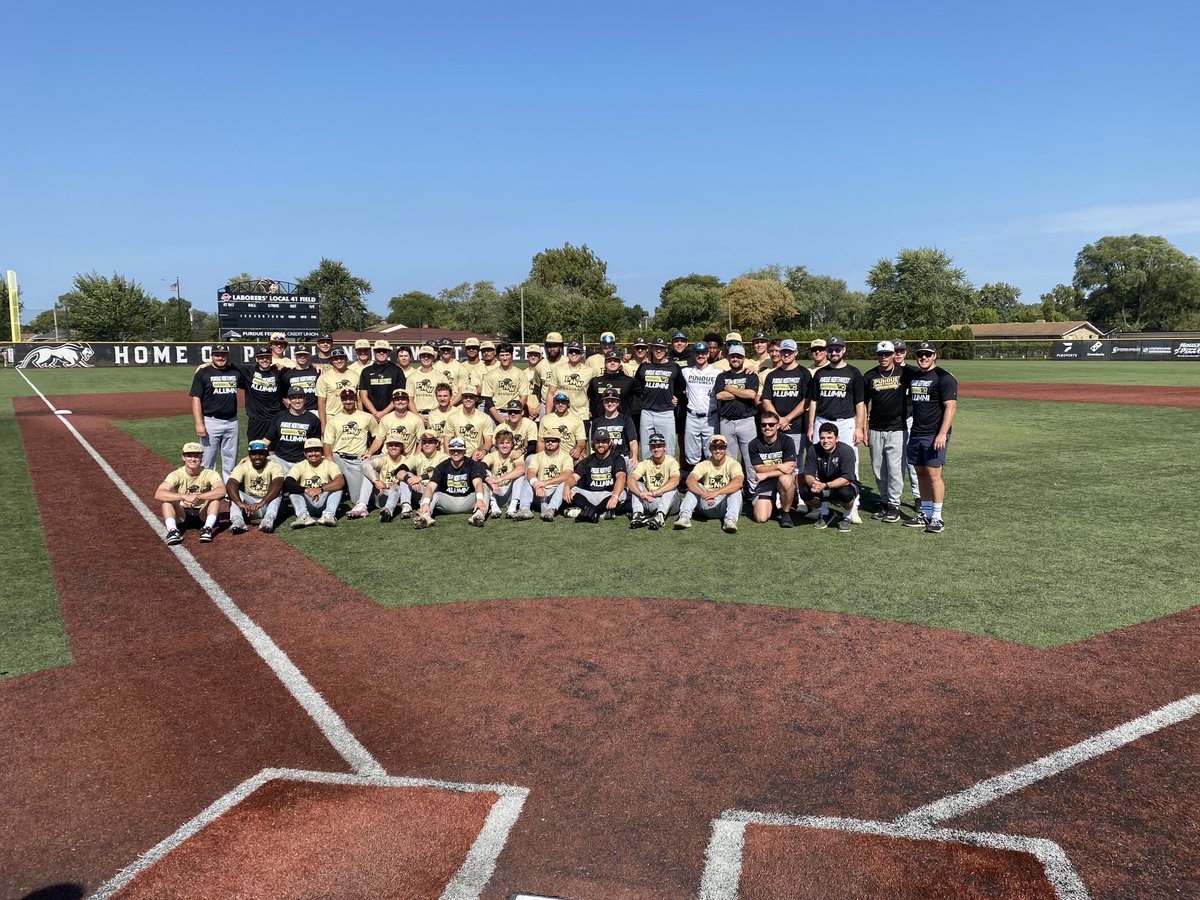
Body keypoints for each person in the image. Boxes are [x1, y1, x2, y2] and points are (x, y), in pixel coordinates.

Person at [807, 336, 866, 523]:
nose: (833, 353)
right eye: (830, 350)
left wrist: (859, 427)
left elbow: (860, 403)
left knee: (850, 461)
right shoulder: (820, 373)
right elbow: (814, 401)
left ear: (844, 350)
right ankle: (823, 507)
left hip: (846, 422)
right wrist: (811, 425)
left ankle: (852, 507)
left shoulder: (854, 372)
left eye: (837, 349)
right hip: (822, 421)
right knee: (819, 462)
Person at [903, 341, 957, 534]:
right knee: (920, 474)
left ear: (935, 355)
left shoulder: (944, 377)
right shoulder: (915, 377)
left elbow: (950, 406)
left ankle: (937, 517)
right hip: (917, 432)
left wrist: (942, 433)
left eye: (927, 354)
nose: (923, 358)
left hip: (934, 434)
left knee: (934, 475)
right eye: (920, 354)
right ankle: (925, 514)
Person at [863, 340, 909, 523]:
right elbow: (863, 404)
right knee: (878, 468)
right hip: (875, 427)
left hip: (897, 428)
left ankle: (893, 505)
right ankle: (883, 500)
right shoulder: (869, 376)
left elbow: (927, 373)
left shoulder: (904, 372)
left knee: (895, 468)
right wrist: (864, 427)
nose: (884, 357)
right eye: (881, 354)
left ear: (893, 355)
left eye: (887, 354)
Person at [189, 344, 244, 479]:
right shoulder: (203, 373)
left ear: (227, 355)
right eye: (217, 354)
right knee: (208, 459)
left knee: (230, 459)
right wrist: (199, 423)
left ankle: (228, 487)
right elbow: (196, 398)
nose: (220, 357)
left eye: (223, 354)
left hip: (232, 421)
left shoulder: (235, 372)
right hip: (210, 421)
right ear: (212, 355)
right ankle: (208, 486)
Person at [156, 441, 226, 545]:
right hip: (182, 514)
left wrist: (200, 496)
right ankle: (172, 531)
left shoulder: (209, 473)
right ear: (183, 457)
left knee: (215, 499)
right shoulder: (176, 474)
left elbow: (221, 490)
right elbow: (159, 494)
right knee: (166, 501)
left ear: (201, 457)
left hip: (203, 513)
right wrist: (184, 496)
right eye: (189, 456)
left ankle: (207, 528)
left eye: (196, 456)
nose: (193, 459)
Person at [322, 388, 378, 519]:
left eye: (350, 398)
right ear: (341, 400)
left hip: (357, 459)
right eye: (345, 399)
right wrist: (330, 462)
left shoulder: (366, 417)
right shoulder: (334, 420)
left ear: (355, 399)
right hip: (339, 457)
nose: (348, 401)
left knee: (356, 499)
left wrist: (370, 452)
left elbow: (378, 436)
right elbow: (327, 443)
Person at [413, 437, 489, 528]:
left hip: (468, 500)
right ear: (449, 451)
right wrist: (425, 503)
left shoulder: (472, 464)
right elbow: (430, 487)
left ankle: (478, 515)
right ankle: (425, 517)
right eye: (453, 450)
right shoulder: (442, 466)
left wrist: (480, 499)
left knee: (484, 487)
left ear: (464, 451)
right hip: (448, 500)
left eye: (459, 450)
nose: (456, 453)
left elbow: (477, 483)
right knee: (432, 494)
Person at [713, 344, 760, 491]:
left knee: (750, 459)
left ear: (743, 358)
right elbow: (719, 395)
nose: (735, 359)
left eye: (739, 356)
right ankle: (733, 491)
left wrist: (730, 389)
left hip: (747, 421)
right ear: (728, 358)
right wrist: (741, 392)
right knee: (729, 460)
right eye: (733, 356)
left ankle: (753, 490)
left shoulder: (750, 375)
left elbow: (752, 395)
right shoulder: (722, 376)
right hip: (726, 422)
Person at [675, 433, 743, 533]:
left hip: (725, 505)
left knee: (736, 490)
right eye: (714, 447)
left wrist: (715, 493)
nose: (718, 450)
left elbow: (738, 482)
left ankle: (730, 520)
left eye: (721, 447)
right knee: (695, 486)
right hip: (706, 502)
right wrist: (704, 494)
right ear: (710, 449)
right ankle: (684, 517)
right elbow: (690, 480)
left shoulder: (733, 464)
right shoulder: (704, 464)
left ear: (725, 448)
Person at [759, 338, 811, 462]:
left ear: (796, 352)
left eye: (790, 351)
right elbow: (766, 400)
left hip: (796, 427)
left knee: (796, 465)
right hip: (775, 428)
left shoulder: (804, 373)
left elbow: (806, 400)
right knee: (775, 461)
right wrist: (778, 420)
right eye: (783, 351)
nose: (786, 354)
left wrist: (787, 419)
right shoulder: (772, 375)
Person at [802, 422, 860, 533]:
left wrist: (825, 485)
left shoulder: (846, 450)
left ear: (837, 438)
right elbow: (808, 474)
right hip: (823, 485)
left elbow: (847, 478)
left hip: (844, 485)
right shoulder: (813, 449)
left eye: (829, 437)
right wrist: (813, 483)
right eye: (822, 438)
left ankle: (847, 516)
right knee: (804, 490)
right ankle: (825, 513)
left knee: (845, 493)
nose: (825, 441)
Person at [635, 337, 684, 460]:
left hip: (666, 412)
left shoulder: (673, 366)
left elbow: (681, 386)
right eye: (656, 347)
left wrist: (675, 396)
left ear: (666, 349)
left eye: (661, 348)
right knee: (647, 449)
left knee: (668, 448)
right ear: (651, 349)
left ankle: (670, 476)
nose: (658, 350)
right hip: (647, 411)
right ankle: (648, 476)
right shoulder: (644, 366)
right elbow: (637, 386)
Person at [568, 427, 628, 523]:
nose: (600, 444)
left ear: (609, 443)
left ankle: (588, 511)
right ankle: (598, 512)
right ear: (593, 443)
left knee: (622, 493)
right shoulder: (587, 460)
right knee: (569, 488)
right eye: (598, 441)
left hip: (608, 494)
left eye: (604, 441)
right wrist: (566, 487)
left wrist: (615, 496)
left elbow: (621, 477)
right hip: (591, 495)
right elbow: (574, 477)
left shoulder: (617, 458)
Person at [748, 412, 798, 527]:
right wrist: (778, 466)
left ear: (777, 426)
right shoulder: (754, 444)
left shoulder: (787, 441)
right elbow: (759, 469)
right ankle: (774, 504)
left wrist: (767, 474)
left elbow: (789, 468)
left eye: (771, 424)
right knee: (761, 518)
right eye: (764, 425)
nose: (767, 427)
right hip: (767, 482)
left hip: (781, 477)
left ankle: (785, 513)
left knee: (785, 480)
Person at [226, 439, 285, 533]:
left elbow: (278, 483)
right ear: (249, 455)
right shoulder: (243, 466)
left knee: (277, 493)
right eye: (254, 454)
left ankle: (268, 520)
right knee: (235, 494)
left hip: (267, 503)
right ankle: (238, 520)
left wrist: (262, 502)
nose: (257, 457)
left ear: (266, 454)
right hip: (249, 505)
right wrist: (239, 503)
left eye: (261, 453)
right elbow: (230, 484)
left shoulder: (274, 466)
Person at [286, 438, 345, 528]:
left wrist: (320, 489)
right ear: (305, 453)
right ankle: (303, 516)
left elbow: (340, 481)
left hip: (324, 500)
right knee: (293, 490)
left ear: (322, 452)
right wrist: (306, 489)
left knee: (337, 487)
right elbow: (288, 483)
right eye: (310, 451)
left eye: (316, 450)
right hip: (307, 500)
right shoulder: (299, 466)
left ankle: (328, 515)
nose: (313, 454)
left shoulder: (329, 464)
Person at [628, 431, 681, 530]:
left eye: (659, 446)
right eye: (653, 446)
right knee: (637, 484)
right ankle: (638, 514)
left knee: (672, 489)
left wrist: (655, 492)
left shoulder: (671, 461)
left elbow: (675, 480)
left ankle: (660, 516)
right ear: (650, 448)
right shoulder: (646, 463)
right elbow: (631, 479)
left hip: (669, 503)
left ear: (664, 447)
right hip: (650, 500)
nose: (656, 449)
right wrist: (641, 494)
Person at [680, 341, 719, 469]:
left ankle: (710, 481)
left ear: (708, 354)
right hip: (692, 416)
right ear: (694, 354)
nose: (700, 355)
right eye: (698, 353)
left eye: (703, 353)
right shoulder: (686, 372)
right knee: (692, 453)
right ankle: (693, 481)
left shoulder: (717, 373)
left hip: (711, 417)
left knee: (712, 451)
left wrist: (749, 367)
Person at [893, 339, 922, 511]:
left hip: (909, 418)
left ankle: (918, 496)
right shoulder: (884, 372)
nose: (898, 353)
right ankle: (891, 499)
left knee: (912, 459)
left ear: (905, 353)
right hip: (891, 421)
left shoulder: (913, 371)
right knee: (895, 461)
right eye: (895, 350)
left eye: (901, 351)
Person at [265, 386, 322, 471]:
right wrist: (252, 454)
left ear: (305, 399)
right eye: (293, 398)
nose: (297, 401)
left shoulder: (313, 419)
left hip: (302, 462)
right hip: (280, 460)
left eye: (300, 397)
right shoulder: (279, 417)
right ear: (288, 400)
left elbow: (315, 445)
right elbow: (266, 440)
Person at [238, 344, 286, 441]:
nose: (264, 360)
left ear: (271, 359)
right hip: (256, 421)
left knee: (274, 453)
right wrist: (208, 364)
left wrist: (313, 365)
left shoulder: (279, 372)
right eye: (261, 358)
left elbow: (299, 370)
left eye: (267, 357)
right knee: (255, 451)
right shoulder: (249, 371)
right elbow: (226, 365)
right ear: (256, 359)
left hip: (275, 419)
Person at [364, 431, 413, 523]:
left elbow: (408, 480)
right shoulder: (383, 459)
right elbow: (365, 465)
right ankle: (362, 505)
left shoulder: (407, 461)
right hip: (382, 495)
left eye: (397, 445)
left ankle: (388, 511)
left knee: (398, 484)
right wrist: (376, 481)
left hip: (400, 495)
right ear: (386, 447)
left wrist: (386, 484)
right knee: (368, 474)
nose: (393, 447)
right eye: (390, 445)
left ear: (402, 447)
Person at [483, 428, 532, 519]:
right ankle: (493, 506)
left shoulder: (515, 454)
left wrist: (499, 479)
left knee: (520, 475)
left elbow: (521, 469)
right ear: (496, 445)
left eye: (507, 443)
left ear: (512, 444)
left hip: (510, 492)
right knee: (485, 472)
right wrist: (492, 482)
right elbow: (481, 467)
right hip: (495, 491)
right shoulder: (491, 455)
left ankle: (513, 506)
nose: (504, 446)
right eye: (501, 443)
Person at [525, 434, 575, 521]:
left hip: (556, 493)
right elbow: (530, 472)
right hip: (540, 493)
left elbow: (567, 474)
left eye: (554, 440)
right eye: (547, 440)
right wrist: (536, 484)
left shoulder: (566, 457)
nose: (550, 443)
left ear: (559, 442)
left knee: (565, 482)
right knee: (526, 480)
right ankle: (524, 509)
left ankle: (551, 509)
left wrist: (545, 482)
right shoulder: (537, 456)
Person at [550, 339, 596, 432]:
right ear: (567, 353)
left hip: (582, 415)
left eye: (577, 351)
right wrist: (548, 416)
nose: (574, 354)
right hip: (561, 414)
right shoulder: (558, 369)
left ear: (582, 353)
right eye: (571, 351)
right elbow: (551, 393)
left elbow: (595, 394)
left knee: (582, 444)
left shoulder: (590, 372)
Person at [358, 340, 406, 423]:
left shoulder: (397, 370)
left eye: (384, 351)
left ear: (388, 352)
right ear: (373, 352)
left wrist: (383, 413)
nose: (381, 353)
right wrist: (375, 413)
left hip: (392, 416)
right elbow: (363, 395)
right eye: (378, 350)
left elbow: (399, 396)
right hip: (371, 416)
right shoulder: (366, 371)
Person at [443, 384, 494, 460]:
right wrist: (450, 458)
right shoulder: (453, 417)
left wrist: (483, 451)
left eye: (471, 397)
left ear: (476, 399)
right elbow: (447, 440)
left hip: (476, 456)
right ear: (462, 398)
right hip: (457, 455)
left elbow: (488, 441)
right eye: (466, 397)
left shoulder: (484, 417)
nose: (468, 399)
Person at [483, 342, 530, 424]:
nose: (505, 358)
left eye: (507, 355)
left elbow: (523, 397)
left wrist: (513, 413)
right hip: (496, 413)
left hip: (514, 412)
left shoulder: (520, 374)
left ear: (512, 355)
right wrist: (498, 418)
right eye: (502, 355)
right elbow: (488, 399)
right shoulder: (490, 375)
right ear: (497, 357)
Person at [372, 388, 424, 456]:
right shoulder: (386, 419)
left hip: (407, 458)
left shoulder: (416, 419)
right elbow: (379, 440)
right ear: (393, 402)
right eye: (397, 400)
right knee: (367, 463)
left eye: (403, 399)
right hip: (386, 456)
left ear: (408, 401)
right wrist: (369, 453)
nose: (400, 402)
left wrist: (416, 457)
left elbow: (421, 441)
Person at [587, 351, 639, 419]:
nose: (612, 363)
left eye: (615, 361)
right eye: (609, 361)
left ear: (620, 363)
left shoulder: (630, 381)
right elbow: (591, 399)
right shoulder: (595, 381)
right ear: (604, 363)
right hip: (600, 422)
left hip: (623, 422)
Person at [591, 389, 639, 460]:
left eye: (613, 401)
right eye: (607, 401)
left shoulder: (626, 420)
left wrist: (634, 456)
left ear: (618, 403)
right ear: (603, 403)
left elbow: (633, 441)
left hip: (622, 456)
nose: (610, 404)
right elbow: (593, 443)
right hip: (602, 457)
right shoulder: (597, 422)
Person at [403, 431, 449, 503]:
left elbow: (442, 471)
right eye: (424, 442)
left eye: (430, 442)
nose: (426, 444)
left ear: (436, 443)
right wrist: (409, 480)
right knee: (405, 475)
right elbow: (399, 470)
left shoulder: (444, 457)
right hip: (420, 488)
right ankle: (406, 506)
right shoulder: (417, 457)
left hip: (437, 491)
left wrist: (420, 477)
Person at [538, 392, 587, 459]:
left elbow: (581, 441)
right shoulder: (546, 419)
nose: (560, 404)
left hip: (570, 455)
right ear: (554, 403)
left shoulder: (577, 420)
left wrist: (578, 449)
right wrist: (541, 457)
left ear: (568, 403)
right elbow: (541, 441)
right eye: (557, 402)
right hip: (550, 455)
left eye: (563, 402)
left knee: (582, 458)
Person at [281, 346, 320, 413]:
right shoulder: (288, 375)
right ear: (295, 356)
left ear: (309, 356)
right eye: (299, 355)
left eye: (305, 355)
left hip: (314, 410)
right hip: (295, 411)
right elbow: (283, 396)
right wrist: (291, 407)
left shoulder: (316, 372)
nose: (302, 357)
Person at [409, 345, 442, 420]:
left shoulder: (441, 377)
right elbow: (409, 399)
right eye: (423, 356)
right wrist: (417, 416)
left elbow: (444, 398)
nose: (426, 358)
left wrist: (434, 415)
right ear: (419, 357)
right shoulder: (412, 377)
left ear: (433, 358)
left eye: (429, 356)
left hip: (435, 414)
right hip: (417, 414)